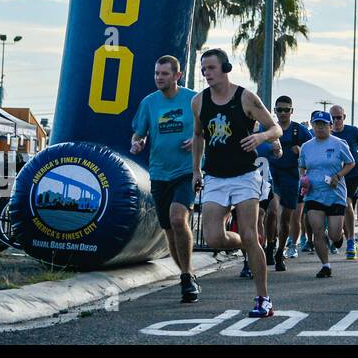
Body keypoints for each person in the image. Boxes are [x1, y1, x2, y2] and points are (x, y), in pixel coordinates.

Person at [191, 48, 283, 318]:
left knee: (250, 233)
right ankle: (246, 244)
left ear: (226, 68)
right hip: (215, 176)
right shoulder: (199, 102)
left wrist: (261, 138)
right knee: (213, 237)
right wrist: (196, 169)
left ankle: (263, 298)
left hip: (245, 175)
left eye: (211, 68)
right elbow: (198, 136)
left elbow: (275, 127)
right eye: (203, 68)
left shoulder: (245, 97)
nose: (206, 73)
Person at [129, 55, 201, 302]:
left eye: (164, 74)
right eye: (157, 74)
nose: (159, 78)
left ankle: (188, 275)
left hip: (186, 171)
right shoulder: (149, 103)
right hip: (159, 172)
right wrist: (137, 144)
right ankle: (185, 273)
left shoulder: (193, 99)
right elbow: (139, 134)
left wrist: (197, 140)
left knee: (178, 219)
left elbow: (209, 130)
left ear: (177, 76)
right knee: (169, 230)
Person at [300, 110, 357, 278]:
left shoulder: (339, 143)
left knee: (334, 234)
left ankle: (337, 239)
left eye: (324, 125)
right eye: (316, 124)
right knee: (317, 230)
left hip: (335, 193)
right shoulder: (307, 146)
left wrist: (338, 176)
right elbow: (302, 166)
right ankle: (325, 265)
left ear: (330, 126)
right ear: (312, 125)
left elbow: (351, 163)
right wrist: (303, 178)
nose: (320, 128)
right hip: (314, 193)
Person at [265, 95, 310, 267]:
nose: (283, 113)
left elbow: (312, 149)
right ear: (274, 111)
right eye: (279, 110)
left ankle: (280, 251)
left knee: (286, 219)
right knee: (272, 211)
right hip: (272, 175)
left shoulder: (299, 130)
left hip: (292, 177)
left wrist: (301, 151)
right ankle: (270, 246)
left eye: (286, 110)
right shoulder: (268, 128)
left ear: (292, 111)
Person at [330, 105, 358, 258]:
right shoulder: (326, 133)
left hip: (352, 173)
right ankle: (341, 234)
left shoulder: (353, 131)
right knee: (337, 206)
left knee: (346, 202)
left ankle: (350, 241)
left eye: (339, 117)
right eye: (333, 117)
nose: (336, 120)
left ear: (344, 117)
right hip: (333, 174)